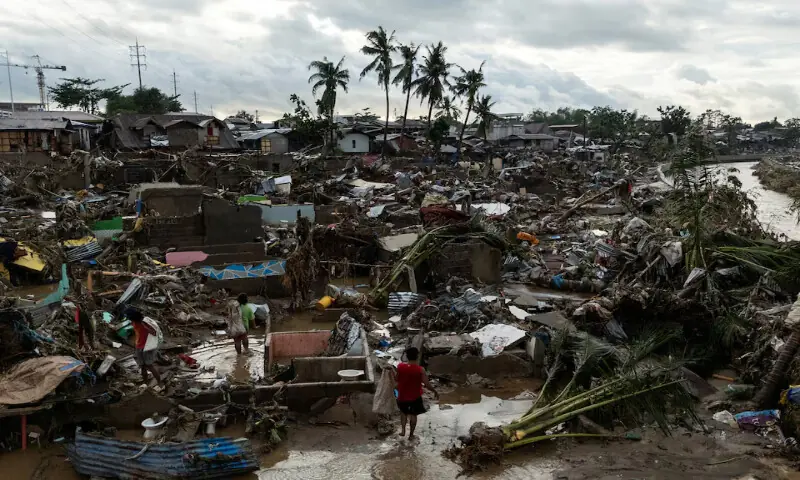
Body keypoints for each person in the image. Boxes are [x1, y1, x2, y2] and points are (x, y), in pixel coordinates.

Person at [395, 347, 438, 439]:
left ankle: (403, 431)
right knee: (413, 415)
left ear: (407, 356)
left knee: (403, 412)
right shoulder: (420, 370)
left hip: (402, 395)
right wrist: (435, 391)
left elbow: (396, 379)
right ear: (417, 356)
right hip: (415, 396)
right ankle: (411, 435)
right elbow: (427, 384)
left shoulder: (400, 366)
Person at [128, 308, 162, 385]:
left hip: (147, 346)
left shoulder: (144, 322)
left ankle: (159, 382)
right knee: (142, 366)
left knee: (149, 365)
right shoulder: (134, 322)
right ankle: (145, 383)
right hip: (139, 346)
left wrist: (145, 326)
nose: (129, 319)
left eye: (130, 317)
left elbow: (154, 333)